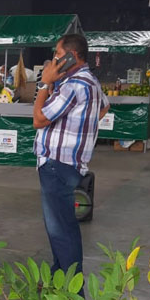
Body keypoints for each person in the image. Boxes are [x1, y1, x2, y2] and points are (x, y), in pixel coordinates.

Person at [33, 34, 109, 278]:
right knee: (62, 225)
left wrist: (45, 84)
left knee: (61, 231)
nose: (53, 60)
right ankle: (58, 278)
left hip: (57, 165)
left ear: (71, 56)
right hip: (69, 166)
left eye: (57, 54)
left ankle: (72, 293)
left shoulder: (74, 85)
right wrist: (80, 128)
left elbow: (39, 119)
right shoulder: (90, 81)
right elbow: (105, 106)